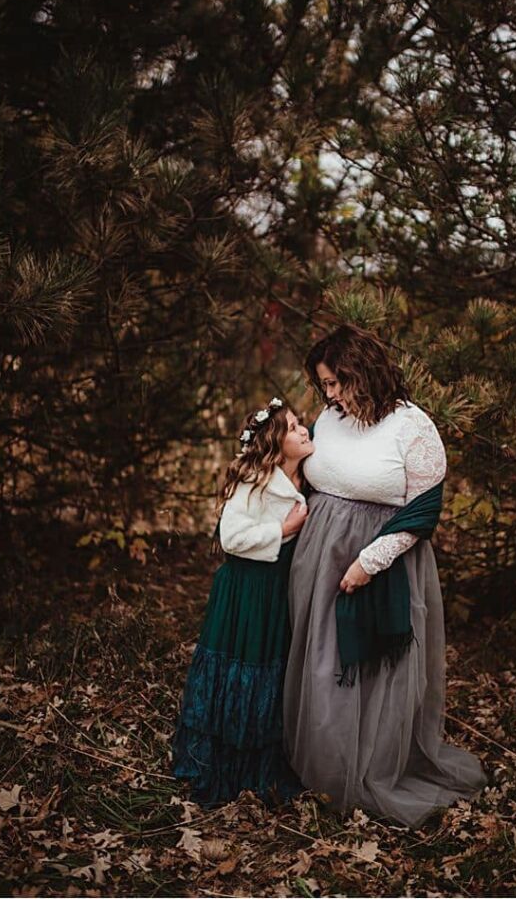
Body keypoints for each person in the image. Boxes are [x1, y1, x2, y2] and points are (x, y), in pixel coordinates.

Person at [282, 325, 485, 826]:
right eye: (323, 385)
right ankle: (320, 770)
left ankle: (364, 773)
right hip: (319, 555)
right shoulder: (330, 419)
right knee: (322, 663)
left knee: (368, 670)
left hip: (381, 561)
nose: (328, 395)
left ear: (362, 374)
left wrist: (370, 562)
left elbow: (424, 510)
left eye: (335, 383)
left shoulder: (412, 427)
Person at [171, 397, 313, 806]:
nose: (304, 430)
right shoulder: (254, 478)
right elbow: (231, 537)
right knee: (243, 663)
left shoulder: (306, 478)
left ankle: (264, 762)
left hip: (275, 590)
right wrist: (282, 528)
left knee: (271, 665)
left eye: (302, 423)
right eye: (292, 427)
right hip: (246, 590)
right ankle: (227, 763)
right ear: (273, 441)